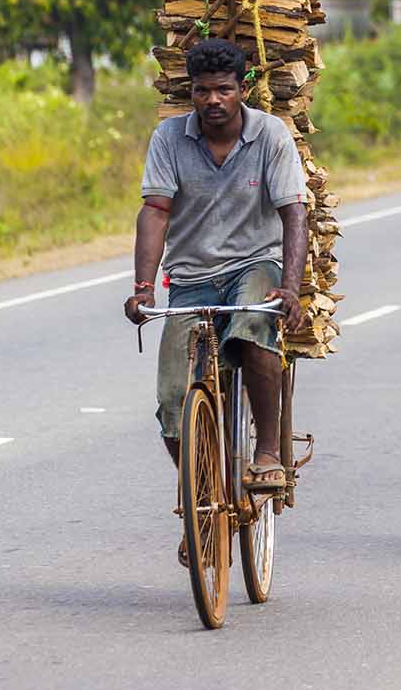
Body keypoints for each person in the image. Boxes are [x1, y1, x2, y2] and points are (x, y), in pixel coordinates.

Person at [124, 37, 308, 497]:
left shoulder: (270, 135)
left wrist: (290, 288)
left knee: (253, 325)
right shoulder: (170, 138)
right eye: (203, 91)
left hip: (253, 266)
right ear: (191, 92)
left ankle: (267, 451)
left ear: (242, 88)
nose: (213, 100)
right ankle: (203, 492)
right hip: (191, 278)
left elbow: (293, 213)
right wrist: (144, 287)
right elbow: (156, 211)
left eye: (223, 89)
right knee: (171, 402)